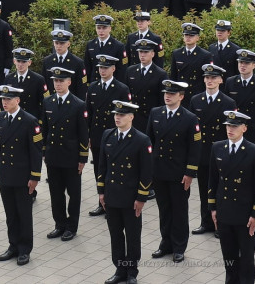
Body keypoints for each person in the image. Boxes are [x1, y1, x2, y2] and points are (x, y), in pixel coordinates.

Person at [98, 100, 153, 284]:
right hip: (112, 195)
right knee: (115, 235)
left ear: (131, 117)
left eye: (121, 115)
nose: (117, 118)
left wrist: (141, 197)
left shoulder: (141, 139)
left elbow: (146, 173)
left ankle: (132, 271)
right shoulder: (108, 135)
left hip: (130, 198)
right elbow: (102, 166)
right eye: (116, 114)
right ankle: (120, 269)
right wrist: (101, 192)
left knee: (132, 235)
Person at [211, 110, 255, 284]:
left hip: (244, 214)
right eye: (228, 125)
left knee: (247, 257)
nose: (230, 129)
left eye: (234, 126)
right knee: (228, 255)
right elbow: (212, 181)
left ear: (244, 128)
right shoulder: (217, 147)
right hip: (224, 211)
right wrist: (212, 208)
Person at [147, 80, 201, 263]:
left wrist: (190, 173)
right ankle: (165, 243)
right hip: (160, 171)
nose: (167, 96)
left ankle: (179, 247)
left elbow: (195, 149)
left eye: (172, 94)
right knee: (164, 209)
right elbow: (150, 142)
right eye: (165, 93)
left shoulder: (189, 118)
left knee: (179, 210)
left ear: (181, 96)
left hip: (179, 174)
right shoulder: (155, 113)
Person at [0, 85, 42, 266]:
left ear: (17, 100)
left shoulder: (30, 121)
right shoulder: (0, 118)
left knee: (23, 213)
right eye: (3, 99)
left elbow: (35, 152)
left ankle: (24, 249)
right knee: (10, 214)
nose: (4, 103)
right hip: (6, 174)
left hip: (22, 176)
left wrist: (34, 177)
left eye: (8, 100)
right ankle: (12, 245)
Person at [190, 63, 235, 237]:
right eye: (207, 78)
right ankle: (206, 222)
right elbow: (193, 130)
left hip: (220, 152)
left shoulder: (228, 102)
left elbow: (231, 130)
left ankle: (220, 224)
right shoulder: (196, 100)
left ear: (220, 80)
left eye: (213, 78)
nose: (209, 81)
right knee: (203, 189)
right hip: (202, 152)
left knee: (221, 189)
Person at [43, 67, 88, 242]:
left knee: (74, 193)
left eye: (61, 81)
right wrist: (44, 152)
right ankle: (59, 224)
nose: (58, 84)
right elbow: (45, 129)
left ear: (69, 82)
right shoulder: (48, 102)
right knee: (56, 192)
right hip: (54, 155)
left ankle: (71, 226)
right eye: (55, 81)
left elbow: (83, 133)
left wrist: (83, 157)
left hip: (71, 157)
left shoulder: (78, 104)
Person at [86, 54, 131, 217]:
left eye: (106, 68)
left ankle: (114, 203)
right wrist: (89, 135)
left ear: (113, 69)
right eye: (100, 68)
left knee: (116, 170)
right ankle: (101, 202)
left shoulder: (121, 89)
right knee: (100, 168)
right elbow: (89, 114)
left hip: (115, 135)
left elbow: (126, 115)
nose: (102, 70)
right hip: (98, 135)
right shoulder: (93, 87)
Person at [225, 49, 255, 141]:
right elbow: (227, 106)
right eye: (240, 62)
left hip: (253, 132)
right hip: (235, 130)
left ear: (254, 65)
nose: (242, 65)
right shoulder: (230, 82)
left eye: (247, 63)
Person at [125, 39, 166, 132]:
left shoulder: (160, 74)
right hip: (133, 117)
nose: (142, 55)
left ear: (152, 54)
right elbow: (126, 95)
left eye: (146, 52)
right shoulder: (130, 71)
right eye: (140, 52)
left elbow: (162, 101)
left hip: (150, 117)